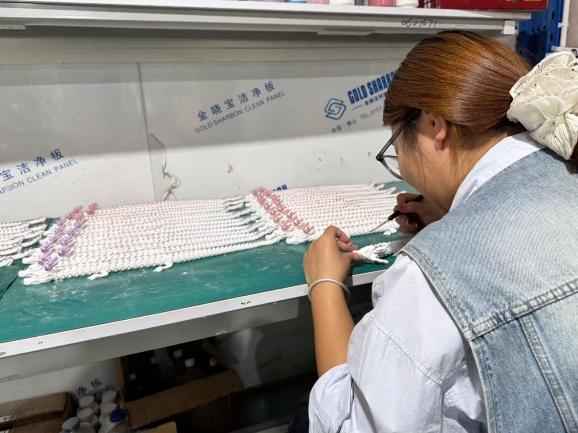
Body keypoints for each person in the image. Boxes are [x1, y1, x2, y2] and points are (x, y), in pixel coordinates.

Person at [302, 31, 578, 433]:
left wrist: (325, 285)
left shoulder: (432, 278)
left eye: (397, 144)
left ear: (434, 125)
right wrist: (456, 213)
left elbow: (355, 425)